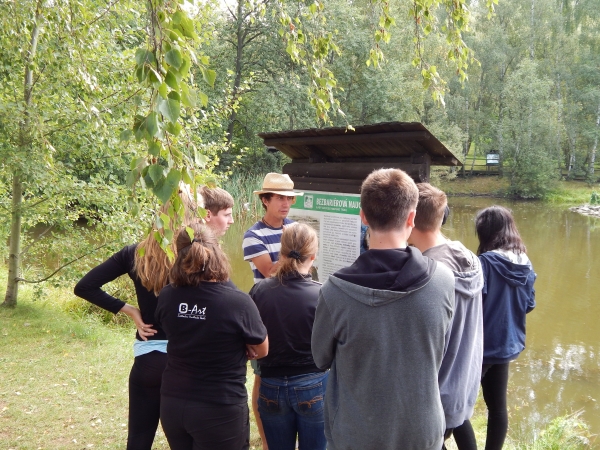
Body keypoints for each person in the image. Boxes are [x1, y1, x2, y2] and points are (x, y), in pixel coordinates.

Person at [311, 168, 455, 450]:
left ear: (363, 217)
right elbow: (439, 348)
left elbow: (320, 358)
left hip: (355, 434)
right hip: (421, 433)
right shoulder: (443, 281)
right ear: (412, 218)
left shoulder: (334, 291)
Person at [73, 185, 199, 450]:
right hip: (185, 361)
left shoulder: (135, 253)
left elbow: (84, 286)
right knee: (186, 442)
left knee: (139, 440)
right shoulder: (197, 255)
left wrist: (130, 310)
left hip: (149, 358)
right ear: (191, 218)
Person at [155, 223, 268, 450]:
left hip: (173, 403)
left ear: (179, 255)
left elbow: (174, 329)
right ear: (217, 253)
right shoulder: (237, 301)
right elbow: (262, 349)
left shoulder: (167, 295)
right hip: (219, 407)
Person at [409, 183, 484, 450]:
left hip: (436, 392)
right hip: (464, 380)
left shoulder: (431, 273)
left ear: (410, 218)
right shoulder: (469, 257)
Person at [250, 223, 327, 450]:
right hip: (312, 384)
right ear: (313, 256)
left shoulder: (260, 291)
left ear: (280, 253)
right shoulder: (321, 293)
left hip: (270, 384)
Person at [465, 205, 536, 450]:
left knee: (458, 406)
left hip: (480, 348)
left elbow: (471, 305)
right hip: (507, 345)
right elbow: (529, 305)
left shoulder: (484, 263)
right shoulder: (526, 265)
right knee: (497, 408)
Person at [242, 172, 303, 449]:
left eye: (289, 198)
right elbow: (269, 271)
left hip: (297, 308)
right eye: (279, 198)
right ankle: (268, 441)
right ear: (265, 200)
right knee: (262, 375)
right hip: (266, 310)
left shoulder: (294, 228)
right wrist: (300, 254)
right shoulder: (253, 235)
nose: (286, 203)